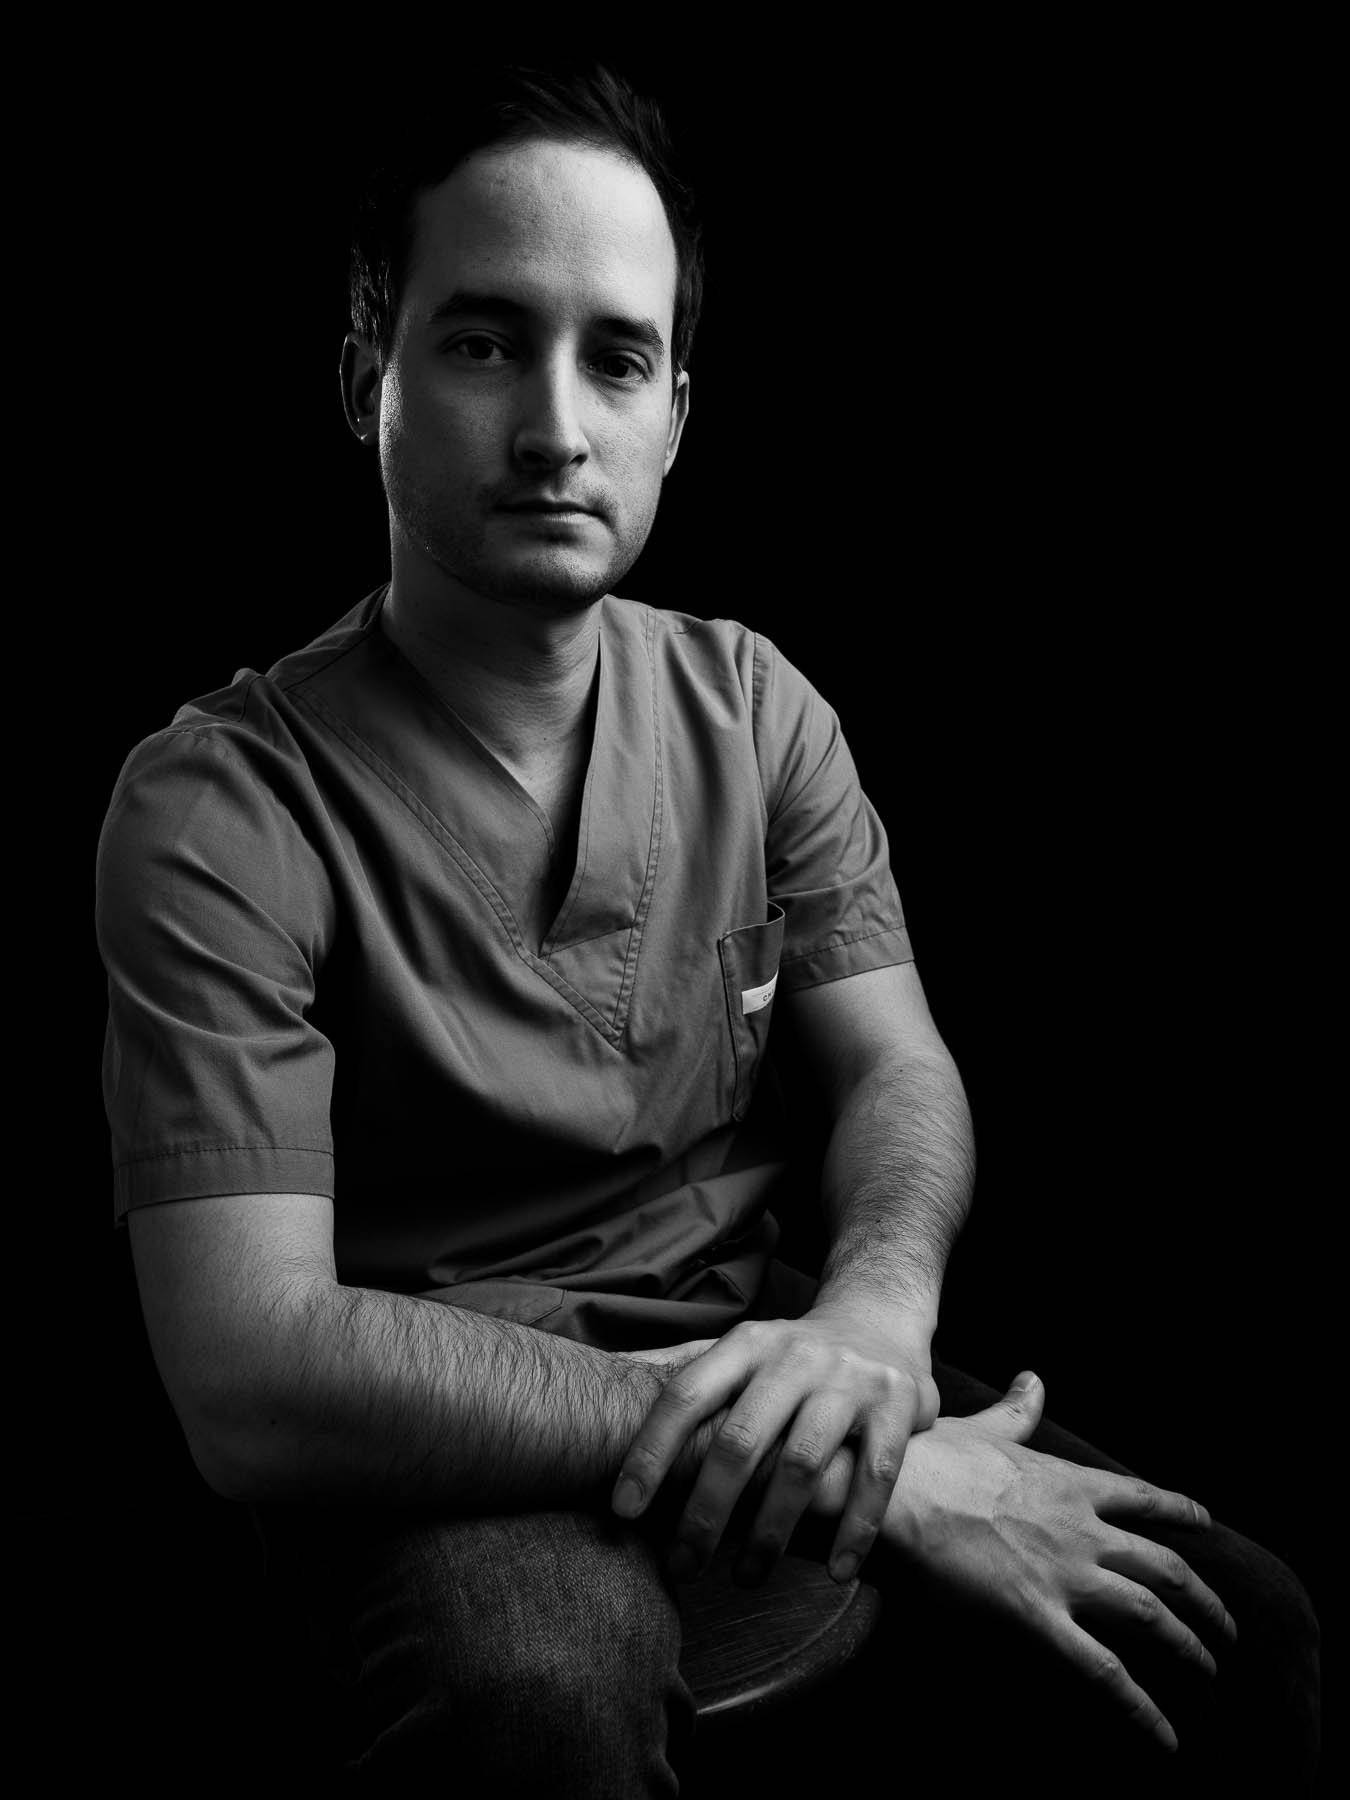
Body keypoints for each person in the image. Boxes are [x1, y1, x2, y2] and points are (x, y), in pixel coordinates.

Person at [97, 62, 1319, 1795]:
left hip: (762, 1335)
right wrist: (873, 1470)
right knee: (539, 1692)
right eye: (480, 342)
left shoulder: (756, 710)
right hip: (445, 1430)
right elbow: (252, 1370)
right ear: (364, 374)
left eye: (614, 357)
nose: (552, 427)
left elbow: (896, 1065)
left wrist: (879, 1324)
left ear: (677, 404)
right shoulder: (220, 805)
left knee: (1232, 1619)